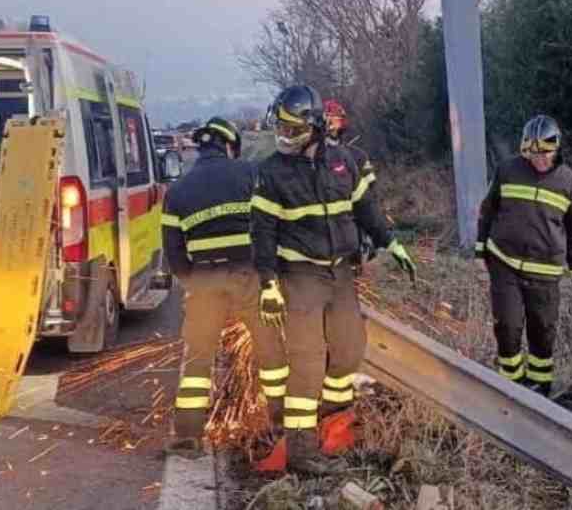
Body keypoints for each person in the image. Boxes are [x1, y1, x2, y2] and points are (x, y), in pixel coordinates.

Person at [250, 85, 417, 474]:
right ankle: (302, 451)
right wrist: (268, 284)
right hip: (300, 276)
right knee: (307, 363)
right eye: (280, 128)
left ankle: (333, 423)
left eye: (292, 130)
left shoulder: (343, 161)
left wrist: (391, 243)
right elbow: (261, 233)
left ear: (315, 127)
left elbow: (365, 209)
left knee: (348, 350)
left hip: (341, 272)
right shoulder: (271, 173)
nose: (284, 137)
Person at [161, 117, 288, 460]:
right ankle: (281, 426)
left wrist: (195, 282)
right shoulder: (250, 174)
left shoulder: (177, 191)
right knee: (270, 352)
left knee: (198, 361)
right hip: (250, 277)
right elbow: (274, 225)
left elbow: (174, 254)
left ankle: (187, 436)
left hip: (203, 281)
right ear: (229, 145)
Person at [475, 114, 572, 397]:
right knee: (508, 327)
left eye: (545, 153)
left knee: (542, 332)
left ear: (556, 148)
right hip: (505, 264)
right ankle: (510, 385)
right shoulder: (508, 171)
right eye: (533, 153)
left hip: (546, 272)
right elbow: (488, 210)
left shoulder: (571, 183)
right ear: (525, 149)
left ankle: (539, 389)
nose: (539, 159)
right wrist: (481, 249)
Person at [323, 99, 379, 266]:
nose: (331, 127)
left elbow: (371, 192)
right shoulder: (309, 157)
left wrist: (370, 230)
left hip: (351, 222)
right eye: (328, 122)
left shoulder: (357, 155)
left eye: (335, 121)